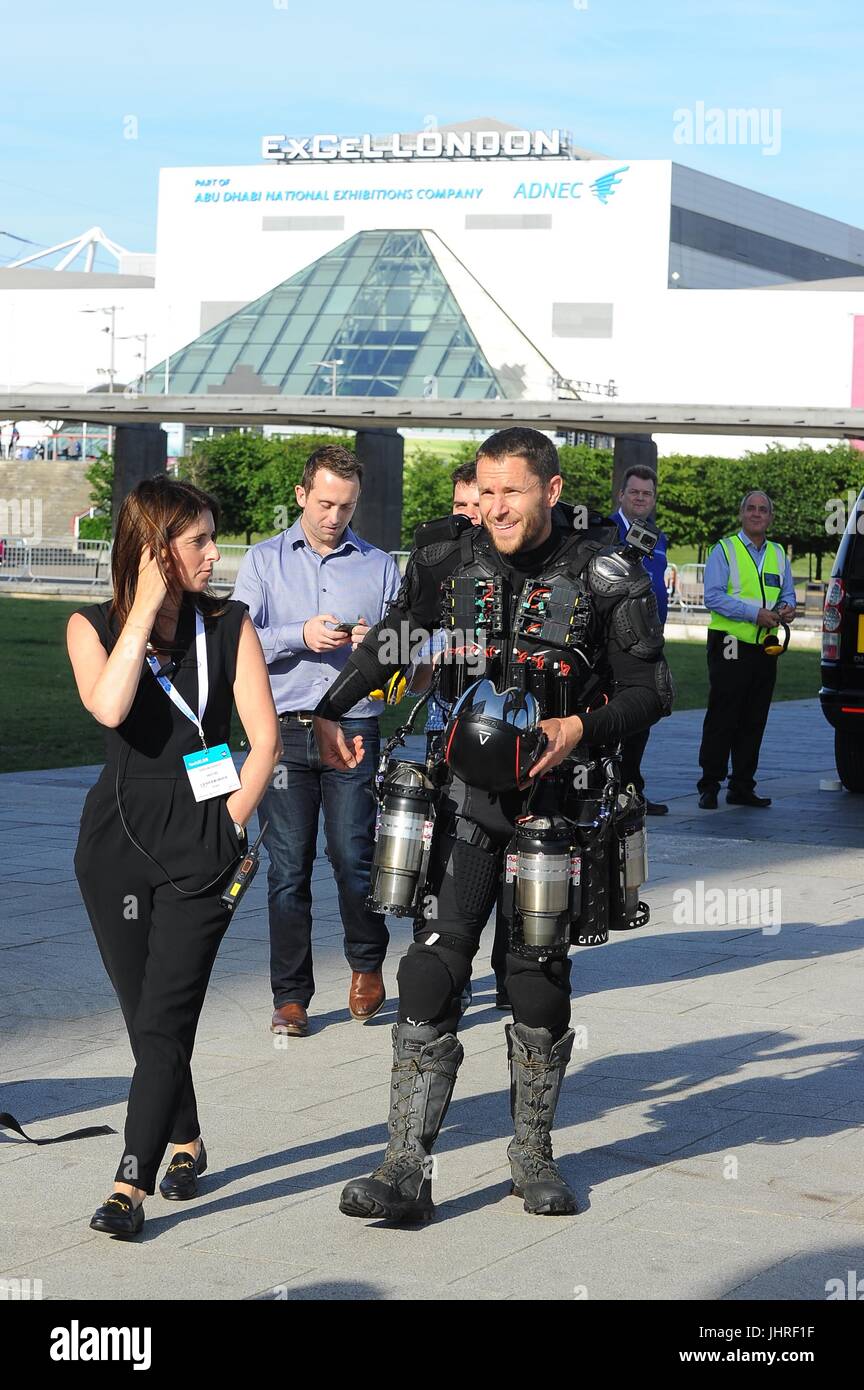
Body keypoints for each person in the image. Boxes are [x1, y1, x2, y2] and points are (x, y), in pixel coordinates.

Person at [313, 427, 673, 1222]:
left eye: (512, 491)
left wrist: (581, 729)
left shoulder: (609, 572)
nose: (496, 507)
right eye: (486, 489)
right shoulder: (445, 559)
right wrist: (329, 708)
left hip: (557, 809)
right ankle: (404, 1168)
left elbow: (653, 691)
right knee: (431, 967)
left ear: (549, 490)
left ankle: (531, 1159)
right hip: (465, 800)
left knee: (535, 979)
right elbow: (396, 642)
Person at [67, 474, 281, 1238]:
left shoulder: (228, 624)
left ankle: (131, 1182)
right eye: (197, 541)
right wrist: (142, 611)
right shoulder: (90, 628)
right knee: (144, 1016)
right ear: (156, 549)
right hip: (116, 843)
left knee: (166, 1013)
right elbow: (111, 706)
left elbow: (265, 738)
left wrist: (230, 824)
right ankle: (185, 1134)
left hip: (203, 835)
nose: (215, 554)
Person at [232, 445, 401, 1038]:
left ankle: (367, 964)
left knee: (355, 856)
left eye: (347, 506)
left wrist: (373, 646)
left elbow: (404, 646)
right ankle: (291, 996)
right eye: (325, 503)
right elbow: (239, 637)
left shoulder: (379, 565)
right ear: (303, 495)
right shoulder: (263, 560)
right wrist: (296, 634)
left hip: (354, 725)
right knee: (286, 867)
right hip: (279, 729)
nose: (335, 516)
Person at [697, 489, 796, 810]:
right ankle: (709, 784)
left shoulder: (779, 553)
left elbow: (788, 594)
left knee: (755, 716)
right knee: (723, 714)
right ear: (742, 514)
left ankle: (742, 785)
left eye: (763, 509)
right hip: (729, 642)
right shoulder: (724, 550)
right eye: (751, 508)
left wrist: (786, 608)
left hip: (765, 645)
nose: (756, 514)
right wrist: (754, 614)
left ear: (770, 517)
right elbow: (712, 596)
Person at [613, 466, 670, 815]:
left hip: (649, 642)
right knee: (615, 719)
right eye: (634, 492)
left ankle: (632, 792)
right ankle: (610, 792)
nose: (640, 498)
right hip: (615, 643)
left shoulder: (656, 536)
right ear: (621, 495)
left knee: (642, 719)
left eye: (646, 494)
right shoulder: (605, 531)